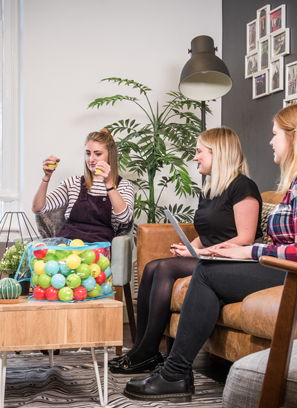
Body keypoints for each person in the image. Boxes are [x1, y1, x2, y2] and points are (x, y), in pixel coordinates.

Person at [123, 101, 297, 403]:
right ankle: (174, 371)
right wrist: (241, 252)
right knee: (210, 269)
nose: (270, 141)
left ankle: (175, 374)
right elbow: (293, 247)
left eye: (275, 134)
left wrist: (248, 252)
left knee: (208, 274)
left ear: (296, 136)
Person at [109, 127, 263, 375]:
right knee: (151, 267)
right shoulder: (210, 189)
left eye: (199, 151)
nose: (194, 157)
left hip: (235, 261)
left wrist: (201, 254)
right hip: (211, 256)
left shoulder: (243, 187)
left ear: (219, 153)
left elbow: (245, 238)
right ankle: (141, 349)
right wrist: (192, 247)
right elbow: (207, 232)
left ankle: (147, 352)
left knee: (166, 268)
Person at [32, 128, 134, 244]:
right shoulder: (73, 183)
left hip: (97, 250)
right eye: (88, 153)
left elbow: (125, 219)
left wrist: (109, 184)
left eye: (98, 154)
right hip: (66, 245)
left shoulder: (124, 186)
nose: (91, 159)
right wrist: (46, 177)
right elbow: (38, 208)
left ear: (110, 156)